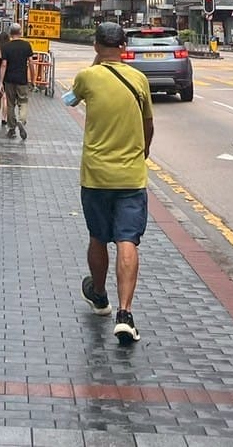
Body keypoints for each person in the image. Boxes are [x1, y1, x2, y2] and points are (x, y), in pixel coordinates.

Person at [65, 21, 153, 344]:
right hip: (131, 175)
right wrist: (140, 156)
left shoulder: (88, 77)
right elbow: (148, 128)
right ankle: (125, 314)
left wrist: (96, 62)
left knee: (98, 237)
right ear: (124, 45)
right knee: (127, 239)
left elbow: (68, 101)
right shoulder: (139, 80)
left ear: (96, 46)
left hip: (96, 176)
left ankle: (100, 295)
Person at [0, 21, 34, 139]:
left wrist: (1, 81)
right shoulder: (26, 45)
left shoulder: (6, 47)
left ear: (10, 33)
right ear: (20, 32)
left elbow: (3, 65)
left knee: (10, 104)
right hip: (22, 79)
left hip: (9, 79)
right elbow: (31, 63)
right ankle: (21, 120)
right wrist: (33, 79)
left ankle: (12, 128)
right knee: (23, 102)